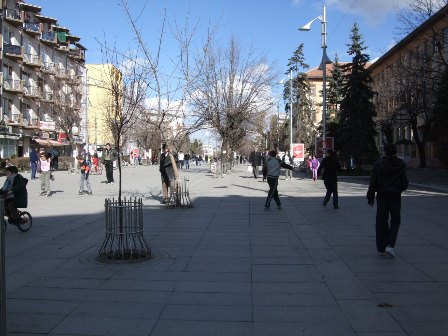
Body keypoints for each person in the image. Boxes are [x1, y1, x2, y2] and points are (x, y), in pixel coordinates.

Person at [367, 143, 409, 258]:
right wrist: (399, 188)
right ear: (395, 152)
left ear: (384, 151)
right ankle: (390, 245)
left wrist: (370, 197)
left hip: (382, 197)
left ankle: (381, 247)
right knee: (395, 221)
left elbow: (373, 182)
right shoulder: (400, 164)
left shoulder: (378, 165)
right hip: (395, 197)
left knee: (381, 221)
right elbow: (405, 183)